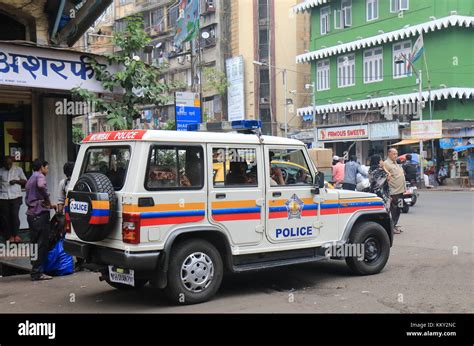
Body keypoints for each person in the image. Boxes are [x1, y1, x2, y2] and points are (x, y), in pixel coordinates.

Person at [25, 159, 56, 281]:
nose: (47, 170)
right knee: (42, 243)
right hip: (39, 214)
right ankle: (37, 272)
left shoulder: (31, 177)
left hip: (31, 214)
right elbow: (41, 186)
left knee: (34, 242)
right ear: (42, 167)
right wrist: (47, 199)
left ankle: (34, 269)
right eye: (47, 168)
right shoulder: (40, 176)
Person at [0, 156, 27, 242]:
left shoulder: (18, 170)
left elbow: (25, 181)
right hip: (3, 197)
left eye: (10, 163)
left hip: (16, 197)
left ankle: (16, 235)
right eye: (6, 164)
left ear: (12, 162)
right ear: (4, 163)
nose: (8, 165)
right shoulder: (0, 171)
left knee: (15, 216)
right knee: (6, 218)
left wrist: (16, 181)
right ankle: (9, 236)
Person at [384, 148, 406, 234]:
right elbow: (384, 177)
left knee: (399, 209)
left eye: (396, 154)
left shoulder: (396, 163)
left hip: (401, 191)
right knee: (394, 209)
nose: (396, 155)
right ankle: (391, 227)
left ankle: (394, 225)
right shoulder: (386, 164)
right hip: (393, 192)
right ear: (389, 154)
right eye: (394, 154)